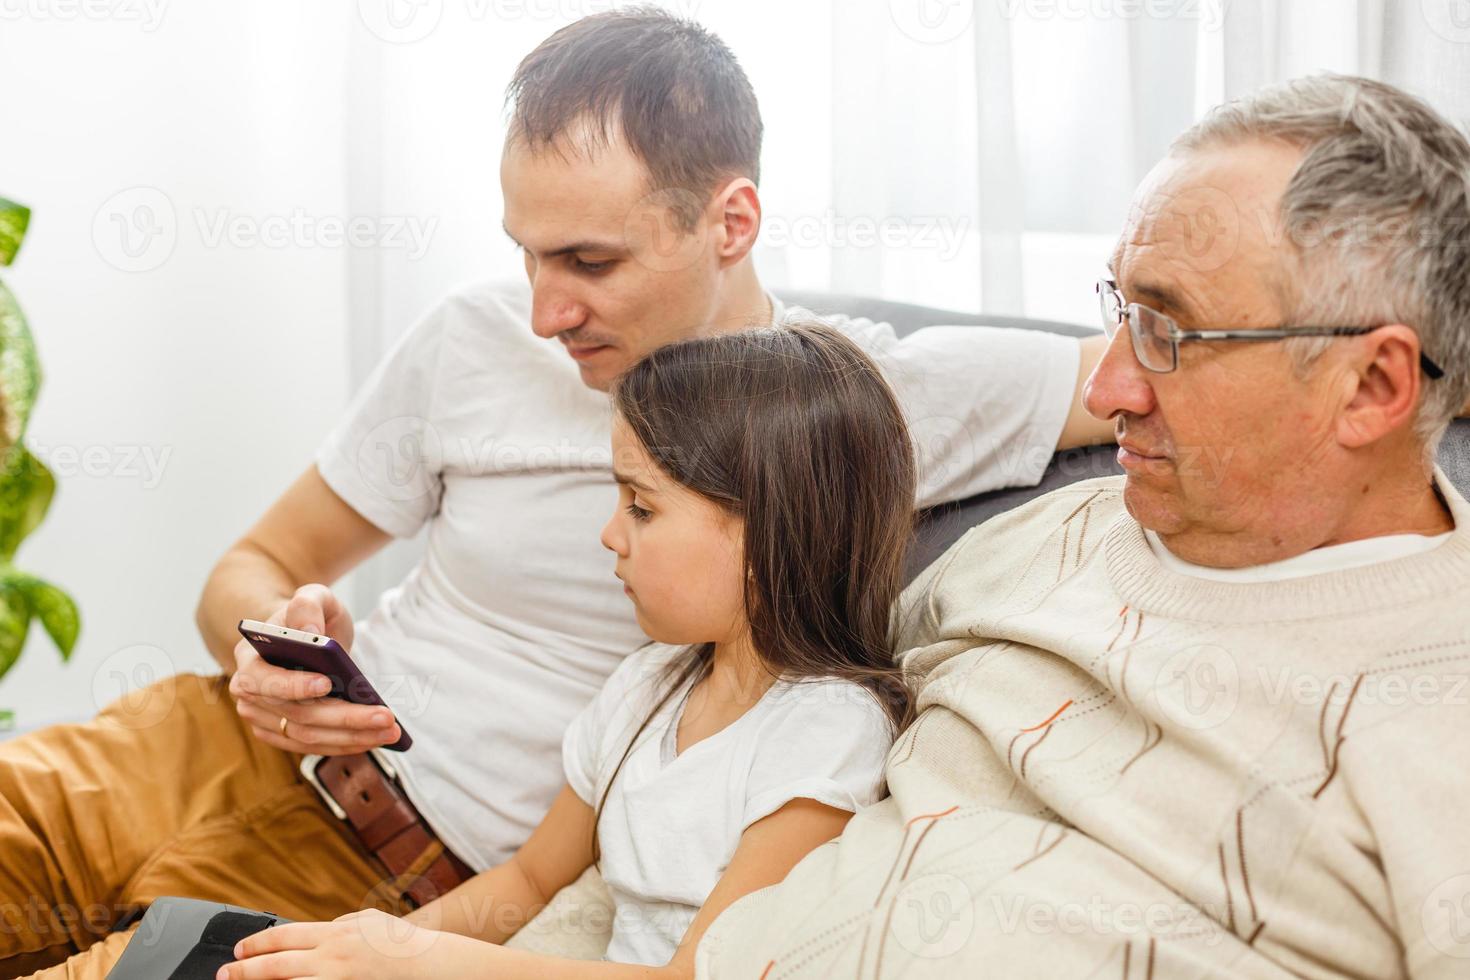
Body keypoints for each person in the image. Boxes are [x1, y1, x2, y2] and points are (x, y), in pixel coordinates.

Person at [0, 11, 1111, 976]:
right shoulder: (475, 338)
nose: (544, 312)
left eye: (589, 261)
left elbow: (1160, 367)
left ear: (730, 222)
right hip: (190, 745)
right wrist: (264, 655)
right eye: (526, 254)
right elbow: (252, 563)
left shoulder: (859, 403)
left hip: (401, 876)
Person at [692, 74, 1470, 978]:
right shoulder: (1045, 537)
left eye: (1167, 333)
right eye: (1122, 311)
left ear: (1372, 388)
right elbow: (767, 731)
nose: (1106, 393)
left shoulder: (1436, 714)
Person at [220, 323, 917, 978]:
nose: (610, 535)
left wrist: (421, 960)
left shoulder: (825, 730)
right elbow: (526, 881)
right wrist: (360, 946)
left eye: (641, 508)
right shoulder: (648, 686)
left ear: (770, 538)